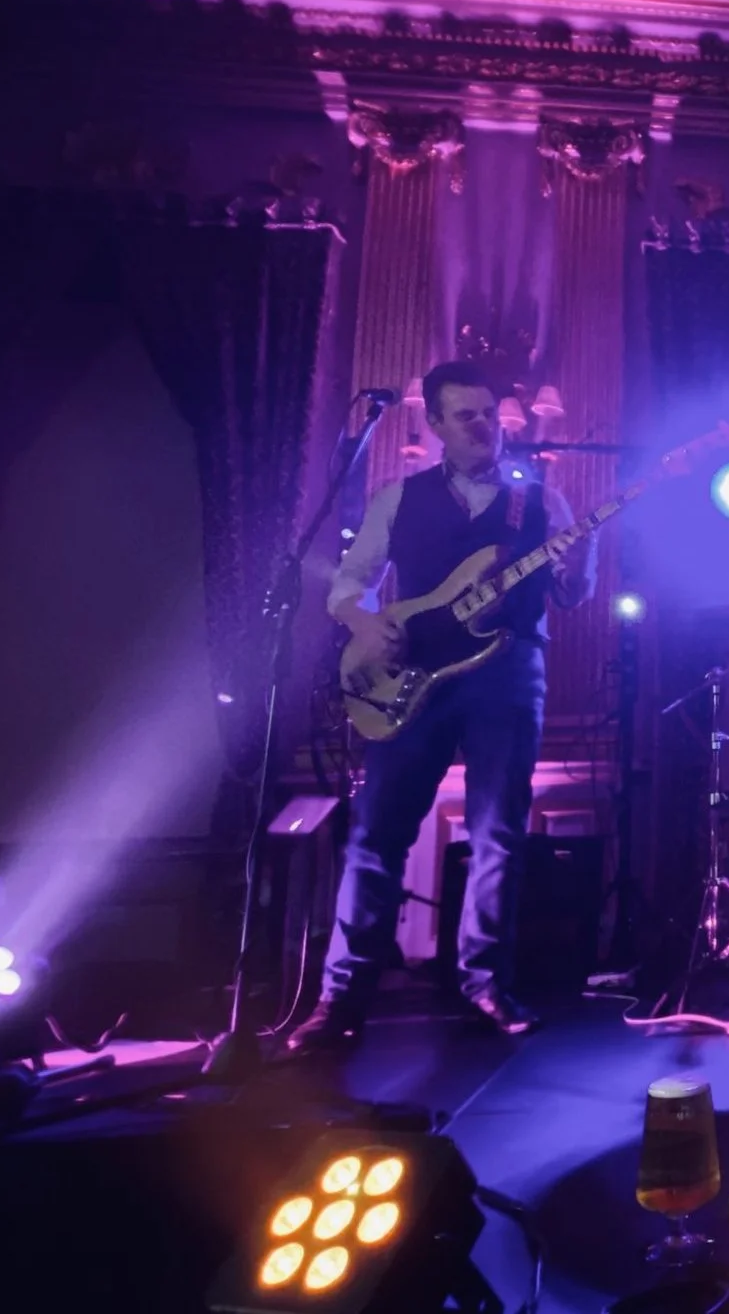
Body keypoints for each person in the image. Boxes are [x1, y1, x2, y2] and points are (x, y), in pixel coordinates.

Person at [288, 359, 594, 1051]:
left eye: (489, 413)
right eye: (466, 416)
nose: (484, 426)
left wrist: (583, 562)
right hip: (411, 672)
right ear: (435, 423)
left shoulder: (541, 502)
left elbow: (573, 596)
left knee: (498, 833)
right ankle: (342, 996)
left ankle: (485, 985)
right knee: (377, 834)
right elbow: (350, 583)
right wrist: (367, 625)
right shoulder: (398, 497)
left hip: (508, 669)